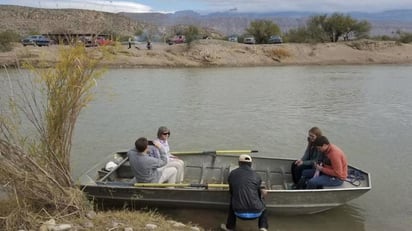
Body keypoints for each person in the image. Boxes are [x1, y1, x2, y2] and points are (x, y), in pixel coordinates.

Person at [221, 154, 268, 231]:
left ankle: (229, 227)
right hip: (256, 212)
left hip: (238, 212)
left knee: (233, 199)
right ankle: (263, 227)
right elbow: (264, 192)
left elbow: (231, 191)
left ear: (239, 163)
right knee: (263, 204)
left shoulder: (232, 173)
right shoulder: (257, 175)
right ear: (251, 164)